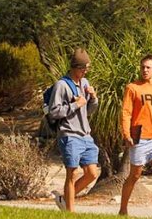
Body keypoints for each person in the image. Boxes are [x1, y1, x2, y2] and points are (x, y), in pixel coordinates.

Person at [119, 54, 152, 218]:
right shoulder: (132, 87)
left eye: (148, 67)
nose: (145, 70)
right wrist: (127, 134)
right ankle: (123, 210)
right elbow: (126, 113)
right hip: (140, 139)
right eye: (142, 67)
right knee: (134, 175)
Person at [49, 48, 100, 211]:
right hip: (69, 135)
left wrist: (93, 99)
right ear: (75, 67)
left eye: (87, 68)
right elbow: (54, 112)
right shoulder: (61, 85)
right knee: (73, 174)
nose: (86, 71)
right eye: (84, 68)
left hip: (86, 135)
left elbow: (88, 111)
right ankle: (70, 212)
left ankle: (64, 199)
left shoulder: (85, 83)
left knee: (92, 173)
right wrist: (75, 104)